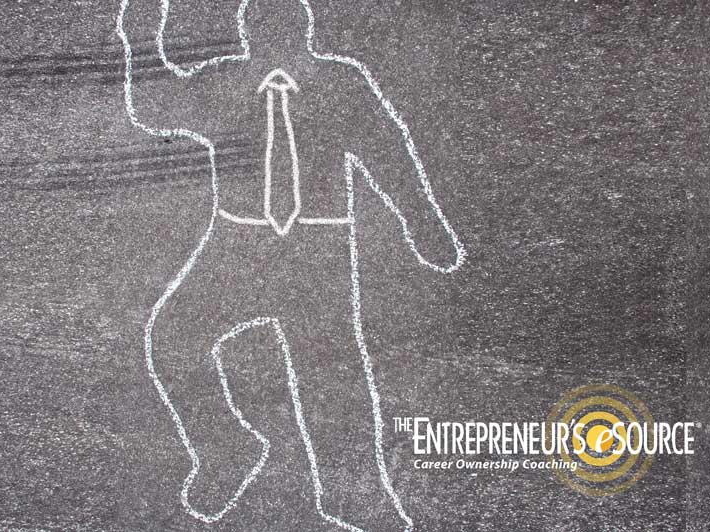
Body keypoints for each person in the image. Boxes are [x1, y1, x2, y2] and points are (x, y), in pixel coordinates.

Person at [117, 0, 466, 530]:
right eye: (264, 29)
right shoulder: (227, 80)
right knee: (175, 337)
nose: (274, 41)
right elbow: (156, 106)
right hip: (238, 242)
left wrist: (423, 223)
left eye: (283, 29)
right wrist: (141, 38)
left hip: (317, 246)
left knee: (330, 369)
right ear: (248, 35)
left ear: (304, 32)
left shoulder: (340, 83)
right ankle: (227, 449)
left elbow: (387, 151)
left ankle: (354, 492)